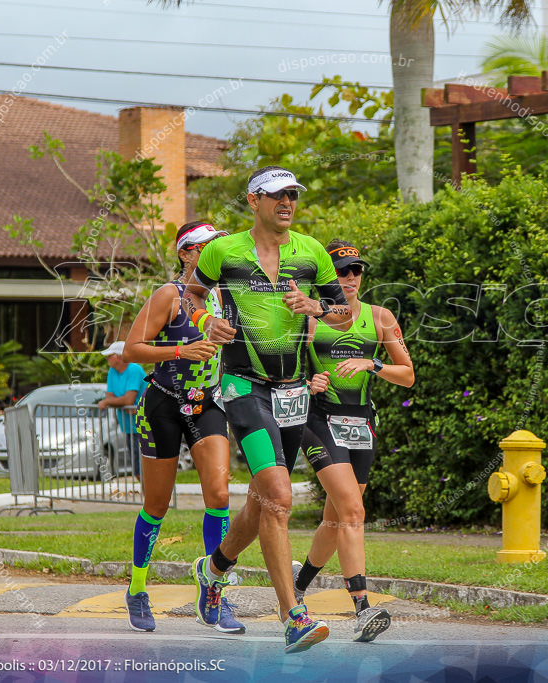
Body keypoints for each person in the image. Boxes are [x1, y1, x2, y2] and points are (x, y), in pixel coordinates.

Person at [185, 166, 350, 654]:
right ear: (254, 200)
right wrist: (206, 319)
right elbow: (191, 293)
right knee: (279, 493)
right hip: (243, 387)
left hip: (294, 391)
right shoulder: (223, 250)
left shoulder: (312, 252)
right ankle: (293, 616)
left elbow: (343, 312)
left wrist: (317, 309)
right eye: (277, 195)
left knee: (263, 499)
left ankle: (212, 570)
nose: (287, 203)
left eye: (293, 195)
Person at [119, 222, 240, 634]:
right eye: (208, 247)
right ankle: (137, 589)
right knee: (156, 504)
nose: (217, 253)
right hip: (163, 405)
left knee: (220, 494)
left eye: (220, 247)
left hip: (206, 404)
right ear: (187, 254)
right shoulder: (169, 295)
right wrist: (180, 349)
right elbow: (131, 349)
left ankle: (212, 593)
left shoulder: (227, 297)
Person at [293, 240, 415, 642]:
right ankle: (362, 609)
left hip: (360, 422)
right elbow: (283, 375)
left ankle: (298, 584)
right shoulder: (308, 319)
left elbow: (407, 374)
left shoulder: (380, 318)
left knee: (336, 518)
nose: (349, 278)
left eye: (355, 271)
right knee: (352, 511)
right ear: (327, 276)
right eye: (341, 271)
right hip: (318, 418)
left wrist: (374, 363)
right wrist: (309, 381)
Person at [98, 341, 147, 480]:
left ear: (119, 356)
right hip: (128, 427)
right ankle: (148, 497)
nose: (107, 359)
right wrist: (118, 402)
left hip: (144, 425)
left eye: (110, 356)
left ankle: (152, 497)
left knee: (143, 467)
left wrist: (109, 402)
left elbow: (127, 400)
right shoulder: (112, 371)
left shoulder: (134, 369)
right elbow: (112, 396)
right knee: (137, 468)